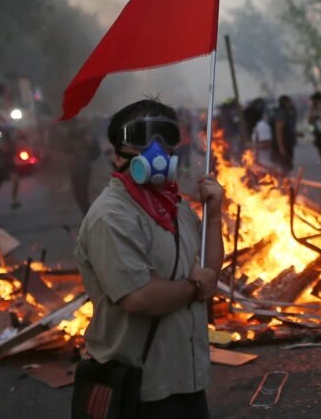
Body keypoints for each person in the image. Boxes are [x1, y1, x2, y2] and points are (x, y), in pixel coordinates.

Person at [74, 99, 223, 417]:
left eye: (165, 135)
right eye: (142, 136)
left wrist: (214, 215)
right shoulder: (112, 216)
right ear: (117, 153)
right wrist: (196, 288)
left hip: (186, 376)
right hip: (139, 386)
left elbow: (209, 272)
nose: (156, 148)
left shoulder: (176, 207)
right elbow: (140, 298)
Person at [66, 120, 100, 216]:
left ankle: (89, 217)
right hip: (76, 167)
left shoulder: (83, 133)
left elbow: (94, 149)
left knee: (81, 196)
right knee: (79, 196)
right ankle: (88, 216)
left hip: (83, 167)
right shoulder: (69, 134)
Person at [0, 128, 20, 214]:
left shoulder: (10, 139)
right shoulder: (0, 140)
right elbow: (4, 149)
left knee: (15, 180)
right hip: (1, 165)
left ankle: (13, 202)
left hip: (9, 164)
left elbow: (14, 150)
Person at [271, 95, 298, 174]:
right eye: (289, 102)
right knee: (284, 166)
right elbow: (278, 132)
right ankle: (283, 183)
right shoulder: (281, 113)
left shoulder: (287, 112)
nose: (291, 103)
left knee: (287, 166)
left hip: (288, 144)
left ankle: (285, 181)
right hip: (283, 145)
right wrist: (281, 148)